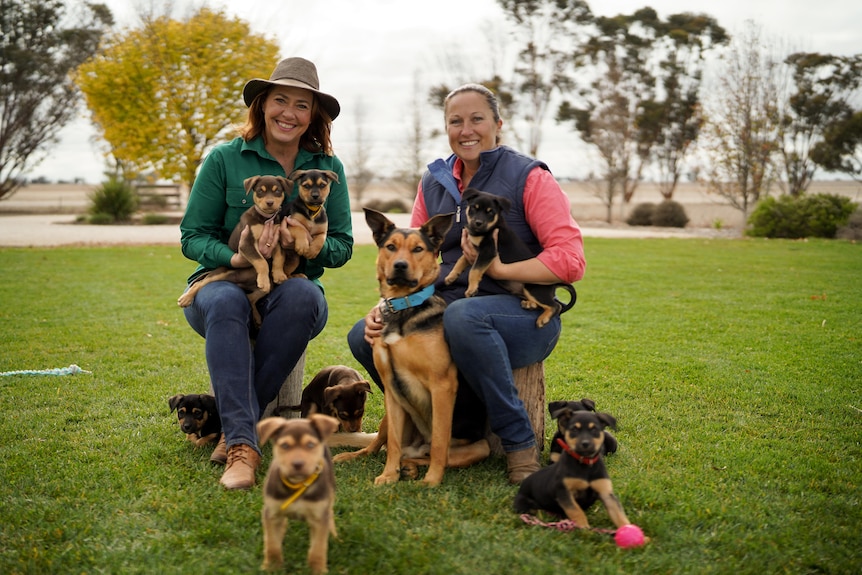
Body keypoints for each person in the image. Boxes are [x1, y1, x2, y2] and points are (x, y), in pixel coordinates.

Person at [347, 83, 585, 484]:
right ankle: (434, 432)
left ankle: (519, 445)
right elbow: (420, 257)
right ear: (447, 127)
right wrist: (389, 305)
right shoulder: (435, 181)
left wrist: (501, 271)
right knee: (363, 336)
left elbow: (570, 260)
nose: (466, 129)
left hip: (523, 313)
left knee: (464, 318)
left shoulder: (528, 176)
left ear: (497, 125)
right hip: (450, 305)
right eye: (456, 121)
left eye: (477, 119)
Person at [180, 57, 352, 490]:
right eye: (280, 100)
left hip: (289, 286)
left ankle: (235, 426)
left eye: (301, 104)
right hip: (224, 283)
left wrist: (306, 246)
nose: (289, 113)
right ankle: (243, 444)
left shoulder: (327, 169)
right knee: (223, 300)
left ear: (313, 115)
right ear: (262, 104)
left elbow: (343, 246)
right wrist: (236, 259)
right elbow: (192, 236)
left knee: (304, 298)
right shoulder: (224, 159)